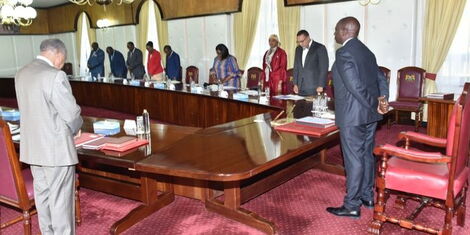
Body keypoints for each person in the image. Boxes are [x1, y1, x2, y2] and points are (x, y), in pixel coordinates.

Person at [15, 39, 83, 234]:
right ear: (58, 54)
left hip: (33, 148)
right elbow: (71, 113)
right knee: (61, 200)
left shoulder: (22, 73)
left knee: (43, 197)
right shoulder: (55, 75)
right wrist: (76, 127)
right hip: (56, 150)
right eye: (63, 59)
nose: (62, 63)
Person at [326, 17, 389, 218]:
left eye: (336, 30)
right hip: (370, 116)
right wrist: (382, 100)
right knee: (365, 154)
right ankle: (367, 196)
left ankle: (352, 204)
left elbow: (355, 87)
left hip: (354, 116)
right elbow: (380, 78)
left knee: (354, 159)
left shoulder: (343, 52)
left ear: (345, 31)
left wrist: (374, 103)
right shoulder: (367, 52)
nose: (334, 34)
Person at [293, 30, 329, 96]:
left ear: (308, 38)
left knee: (311, 106)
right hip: (300, 87)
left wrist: (321, 85)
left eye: (302, 41)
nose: (300, 44)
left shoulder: (320, 48)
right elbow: (296, 67)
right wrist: (295, 83)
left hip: (314, 87)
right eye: (298, 42)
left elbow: (324, 68)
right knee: (299, 106)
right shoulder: (298, 49)